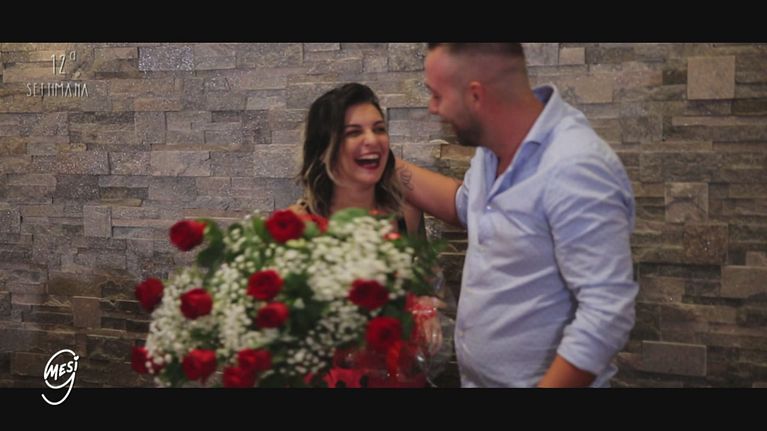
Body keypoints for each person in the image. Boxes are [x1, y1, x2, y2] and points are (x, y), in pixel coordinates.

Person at [395, 43, 638, 387]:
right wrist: (381, 160)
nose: (433, 108)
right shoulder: (494, 148)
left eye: (437, 95)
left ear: (476, 96)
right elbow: (468, 206)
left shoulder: (576, 166)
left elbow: (606, 313)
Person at [287, 82, 450, 387]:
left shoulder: (405, 212)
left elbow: (425, 282)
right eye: (353, 132)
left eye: (379, 129)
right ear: (323, 148)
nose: (372, 140)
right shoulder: (296, 226)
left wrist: (427, 306)